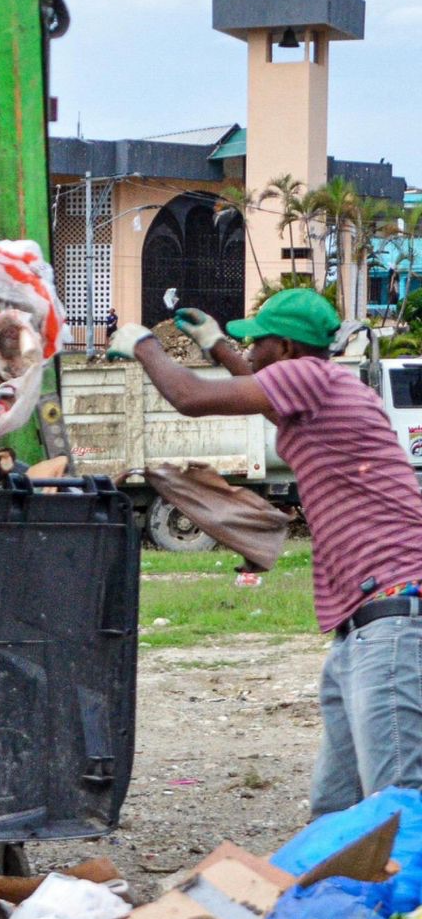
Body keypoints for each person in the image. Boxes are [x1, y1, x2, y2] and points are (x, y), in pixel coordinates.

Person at [106, 287, 422, 816]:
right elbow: (261, 394)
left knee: (398, 811)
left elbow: (190, 399)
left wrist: (144, 345)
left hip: (391, 621)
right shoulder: (326, 392)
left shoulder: (309, 377)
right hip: (364, 627)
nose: (249, 353)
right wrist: (217, 346)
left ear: (288, 349)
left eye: (259, 344)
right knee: (334, 813)